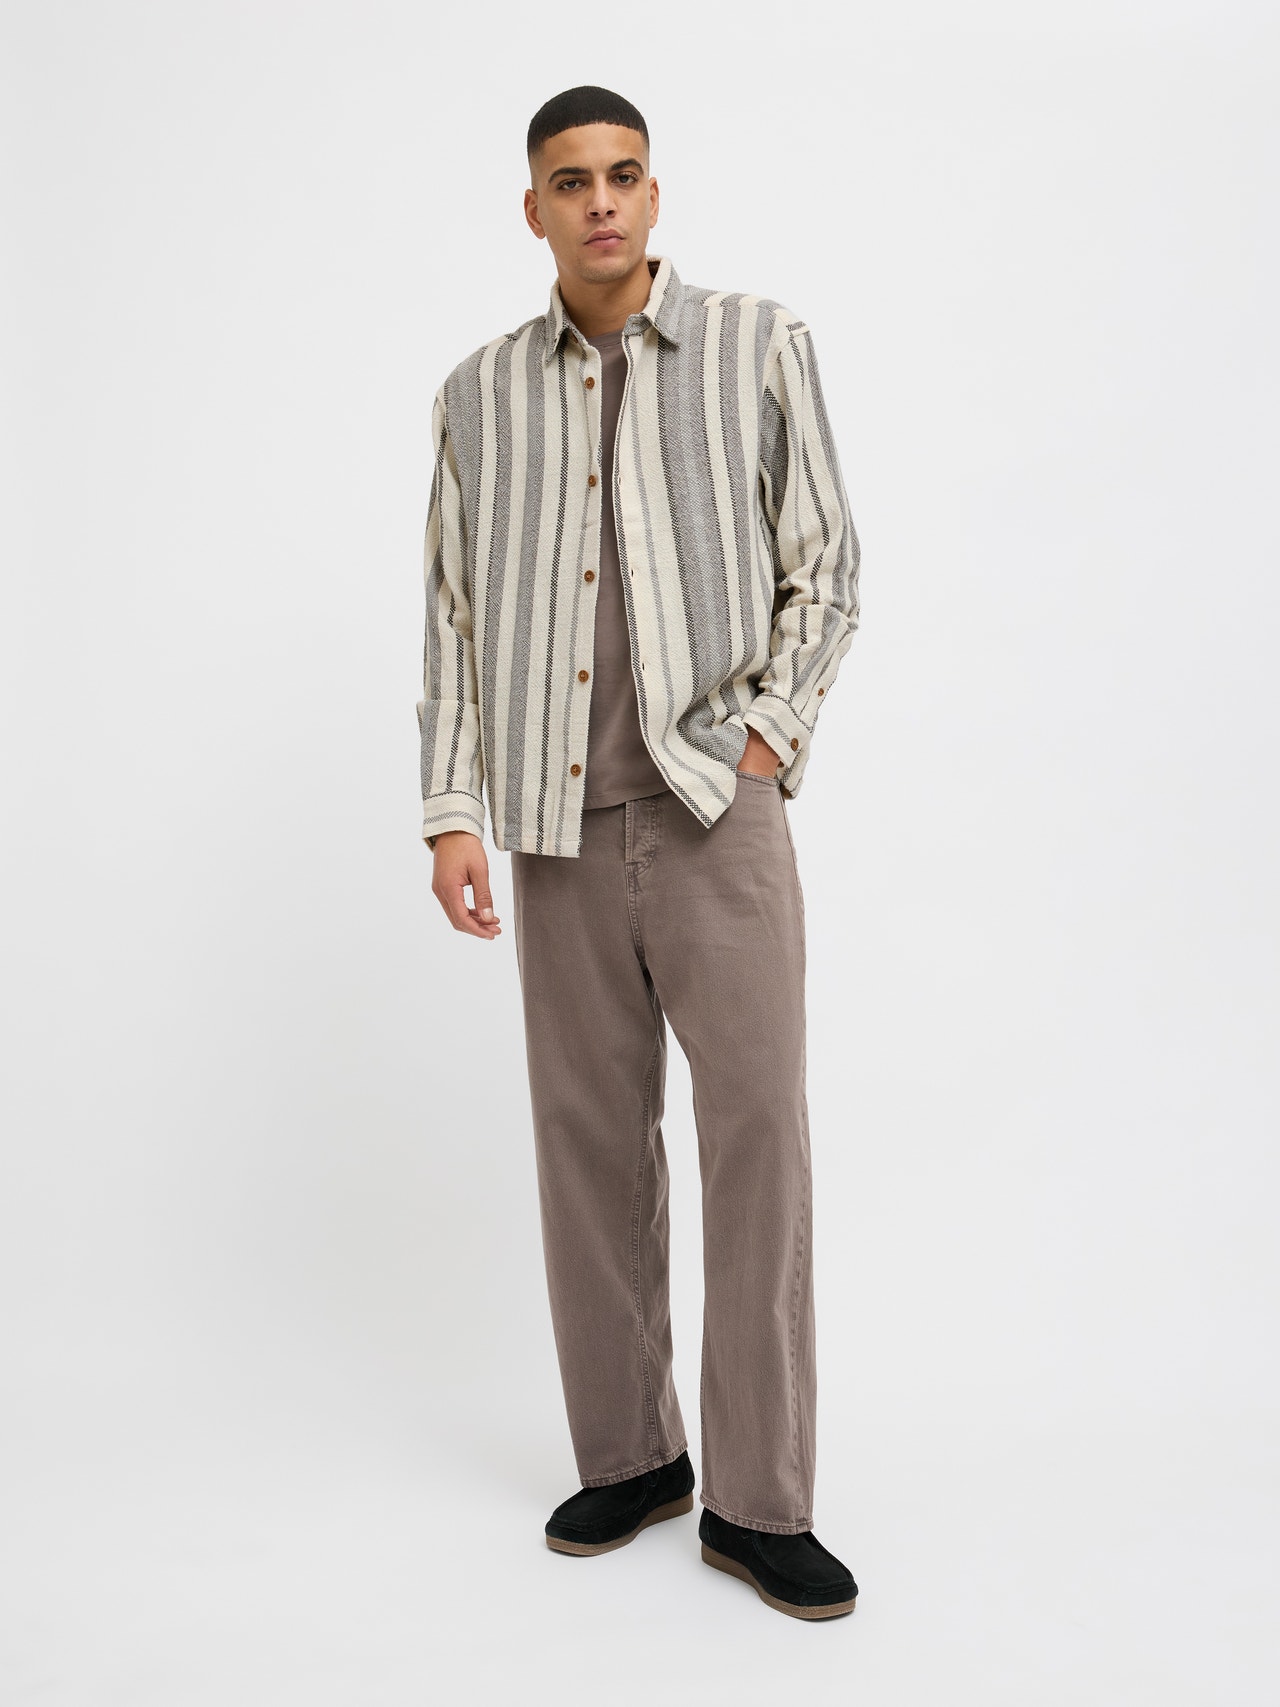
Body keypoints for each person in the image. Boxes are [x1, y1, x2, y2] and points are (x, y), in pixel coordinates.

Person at [417, 84, 862, 1621]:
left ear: (654, 195)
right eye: (570, 181)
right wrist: (453, 809)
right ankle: (633, 1456)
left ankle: (758, 1501)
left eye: (622, 175)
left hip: (713, 811)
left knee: (758, 1138)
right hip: (552, 827)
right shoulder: (478, 395)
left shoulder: (757, 345)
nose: (600, 201)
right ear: (533, 209)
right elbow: (452, 616)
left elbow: (828, 567)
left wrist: (769, 740)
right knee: (589, 1146)